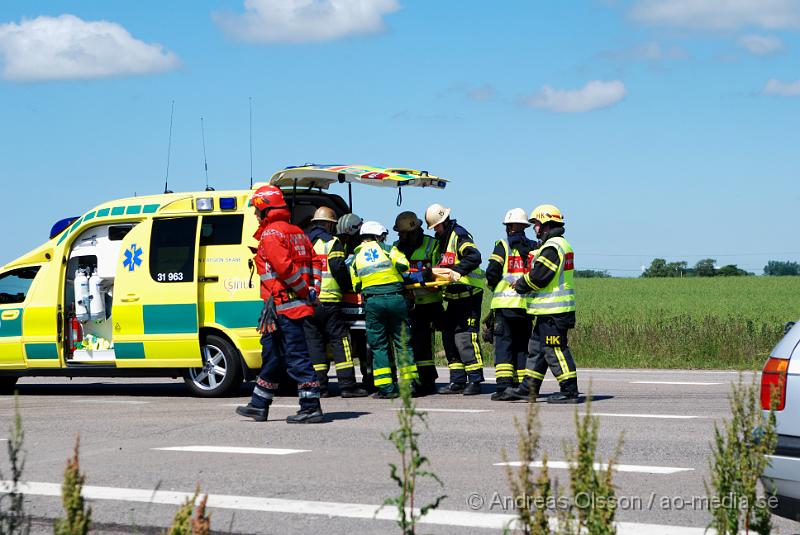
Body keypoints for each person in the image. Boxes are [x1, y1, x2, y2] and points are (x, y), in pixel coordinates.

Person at [235, 185, 324, 423]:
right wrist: (314, 289)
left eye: (257, 210)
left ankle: (310, 406)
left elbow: (285, 269)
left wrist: (304, 290)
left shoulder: (272, 234)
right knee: (273, 356)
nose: (255, 215)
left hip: (285, 308)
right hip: (282, 309)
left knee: (296, 357)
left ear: (266, 210)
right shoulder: (298, 232)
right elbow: (316, 262)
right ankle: (259, 404)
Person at [503, 204, 579, 404]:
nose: (534, 228)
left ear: (546, 224)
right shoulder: (555, 245)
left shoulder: (554, 247)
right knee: (536, 348)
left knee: (555, 349)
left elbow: (539, 277)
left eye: (536, 224)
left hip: (555, 311)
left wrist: (520, 284)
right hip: (549, 311)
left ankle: (569, 390)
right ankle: (528, 388)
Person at [304, 206, 368, 398]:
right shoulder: (332, 242)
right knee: (341, 342)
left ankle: (320, 387)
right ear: (327, 224)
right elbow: (339, 269)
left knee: (315, 345)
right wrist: (350, 286)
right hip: (330, 302)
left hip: (308, 303)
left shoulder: (302, 242)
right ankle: (347, 386)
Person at [350, 221, 419, 398]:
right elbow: (404, 265)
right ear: (378, 236)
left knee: (378, 345)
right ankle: (410, 384)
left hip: (373, 302)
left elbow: (356, 285)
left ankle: (386, 389)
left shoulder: (355, 257)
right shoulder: (388, 249)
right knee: (402, 341)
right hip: (396, 298)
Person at [425, 203, 485, 396]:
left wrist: (455, 271)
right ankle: (457, 380)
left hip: (468, 296)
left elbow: (474, 257)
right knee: (449, 337)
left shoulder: (459, 235)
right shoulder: (441, 241)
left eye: (436, 227)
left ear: (443, 222)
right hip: (452, 298)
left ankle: (475, 380)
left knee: (465, 337)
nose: (434, 230)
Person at [486, 208, 537, 400]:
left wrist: (494, 287)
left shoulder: (503, 245)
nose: (507, 229)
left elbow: (492, 272)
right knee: (522, 346)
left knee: (504, 346)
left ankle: (504, 387)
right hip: (526, 306)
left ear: (512, 227)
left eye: (508, 225)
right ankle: (521, 386)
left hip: (504, 304)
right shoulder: (533, 247)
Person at [393, 211, 442, 396]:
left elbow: (441, 270)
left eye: (402, 233)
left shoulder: (432, 245)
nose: (399, 236)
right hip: (406, 302)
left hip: (429, 302)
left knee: (424, 343)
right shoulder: (396, 248)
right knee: (409, 343)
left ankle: (427, 381)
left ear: (413, 231)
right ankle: (415, 381)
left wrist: (433, 281)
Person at [336, 212, 374, 391]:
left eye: (346, 237)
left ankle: (370, 378)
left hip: (363, 306)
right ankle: (367, 378)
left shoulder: (362, 253)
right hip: (350, 309)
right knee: (358, 345)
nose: (344, 240)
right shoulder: (344, 252)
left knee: (369, 345)